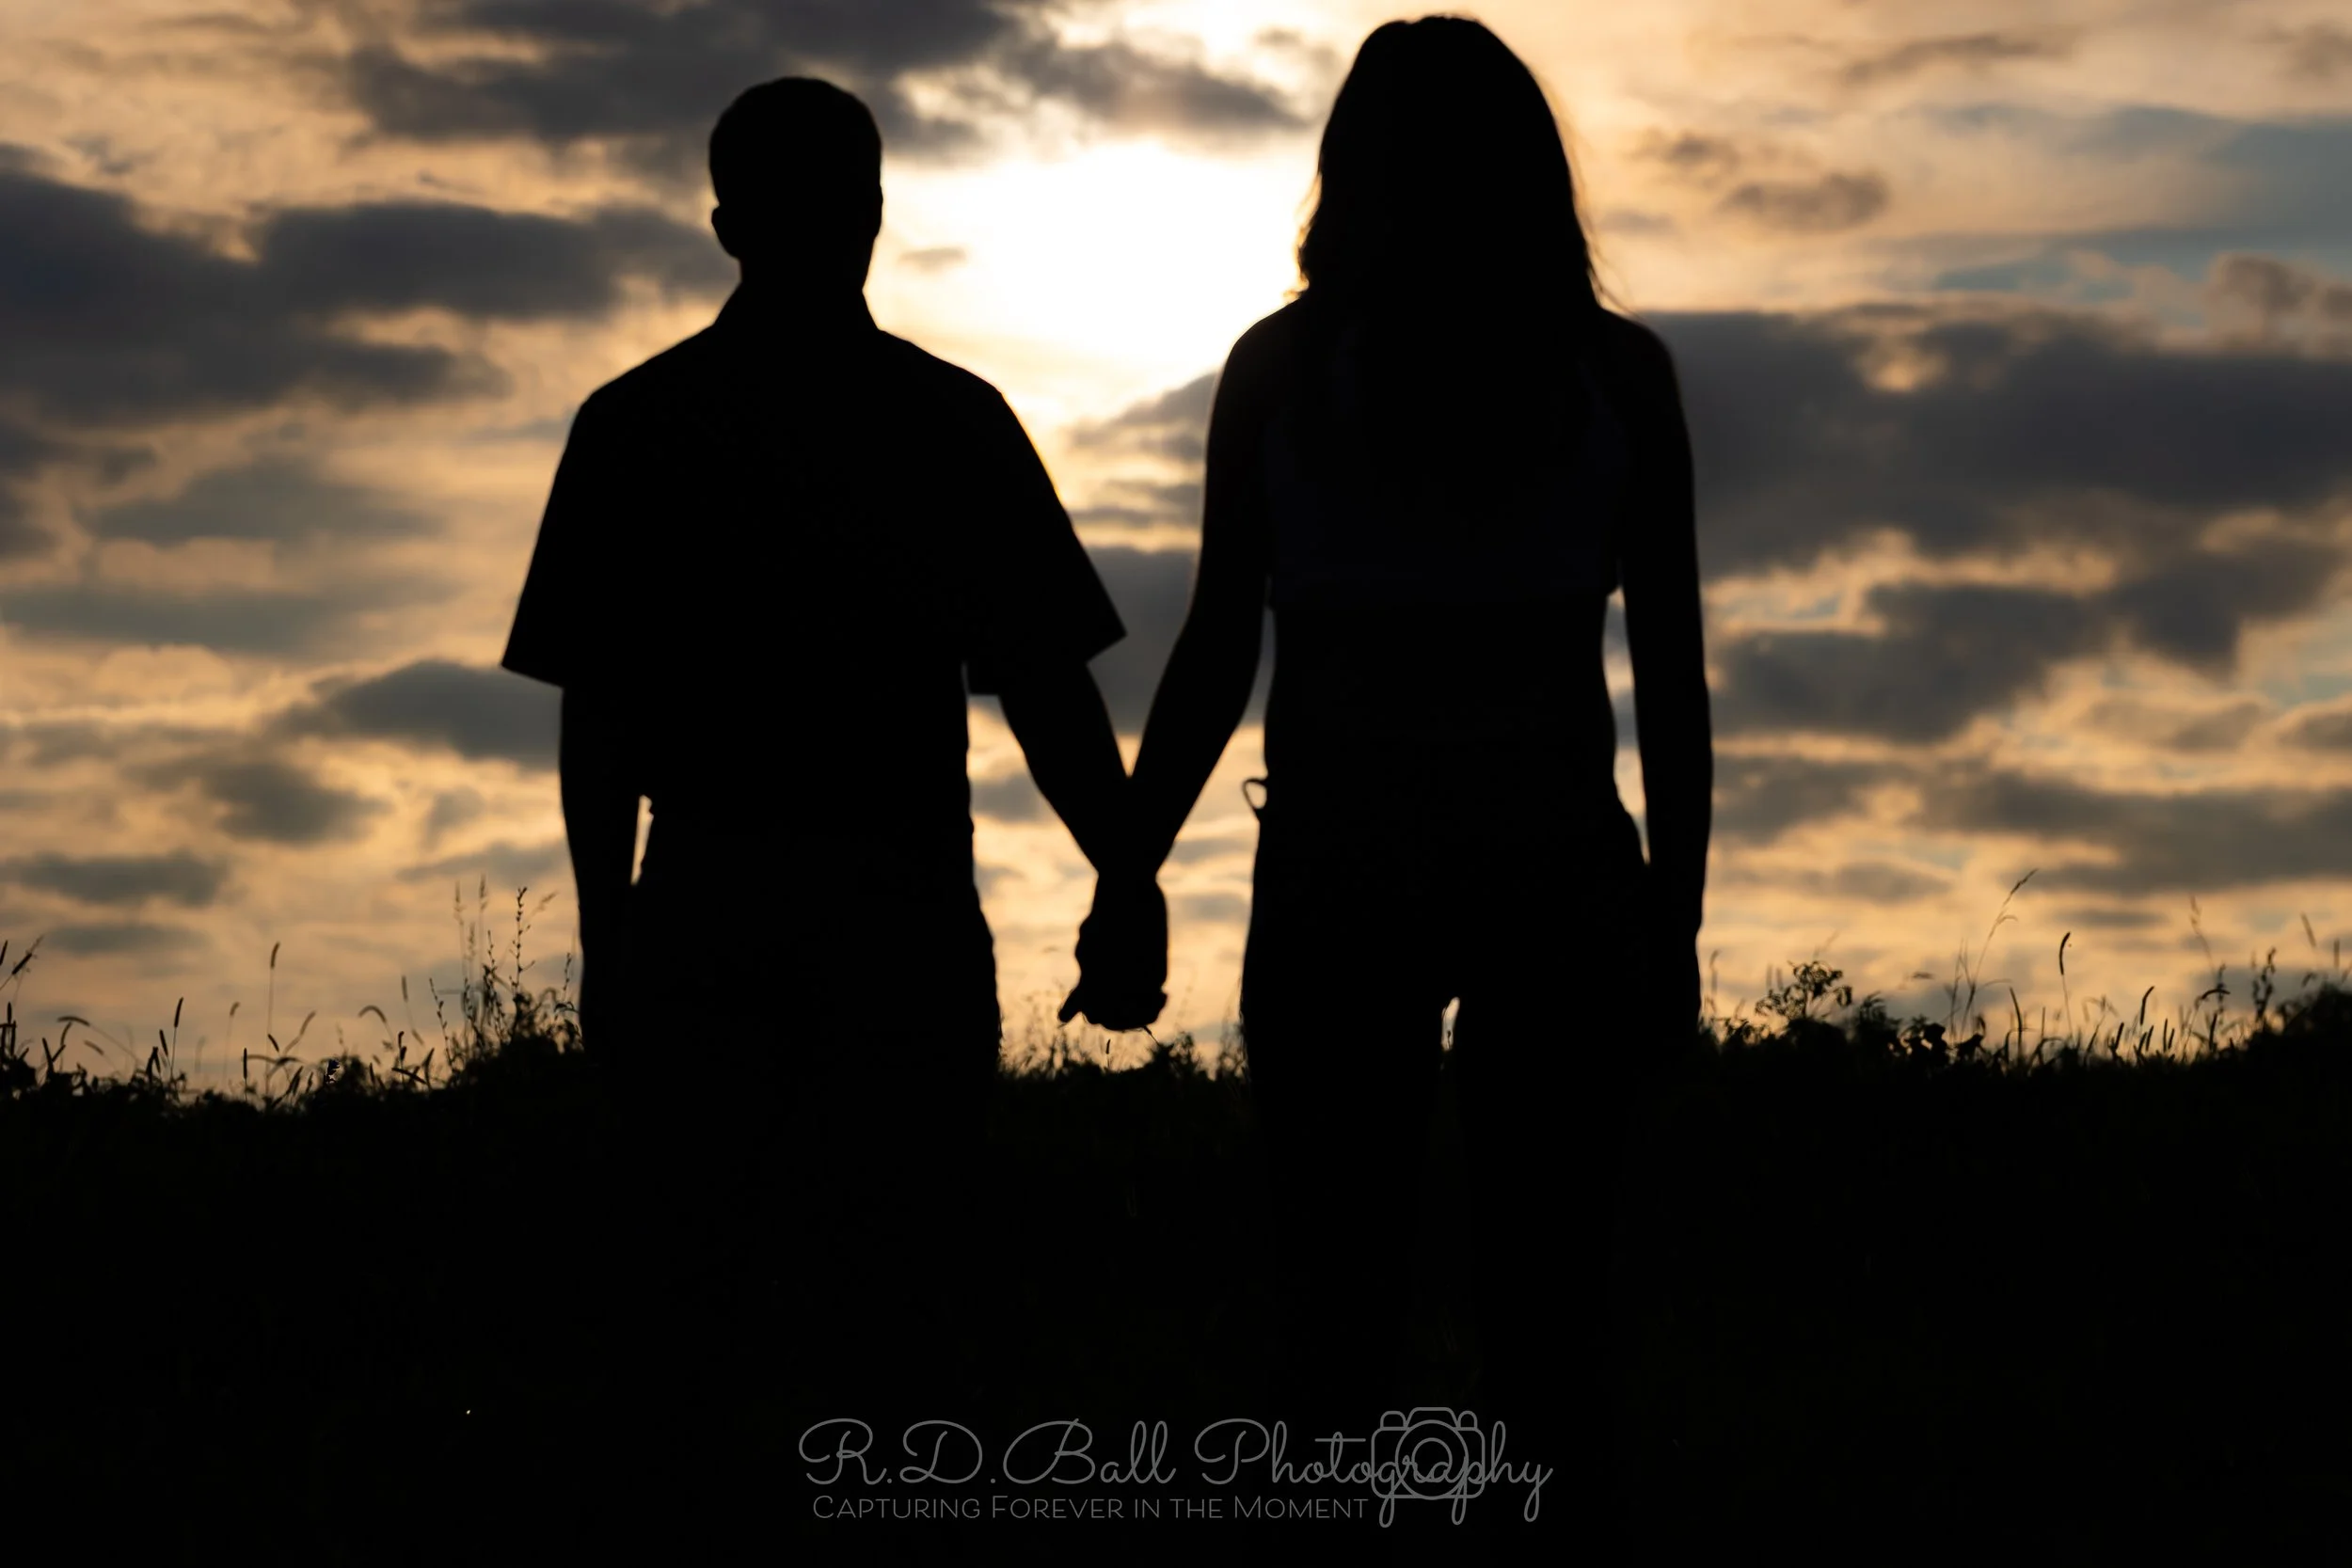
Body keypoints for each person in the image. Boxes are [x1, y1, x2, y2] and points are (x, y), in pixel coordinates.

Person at [498, 76, 1165, 1539]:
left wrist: (614, 934)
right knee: (901, 1323)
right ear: (874, 214)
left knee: (700, 1328)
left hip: (714, 910)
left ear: (723, 222)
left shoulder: (638, 424)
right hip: (898, 918)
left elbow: (597, 719)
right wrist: (1123, 875)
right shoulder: (949, 421)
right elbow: (1046, 689)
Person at [1100, 16, 1712, 1549]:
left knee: (1333, 1326)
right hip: (1554, 859)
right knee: (1550, 1338)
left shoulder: (1283, 373)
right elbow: (1675, 683)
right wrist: (1673, 917)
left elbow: (1214, 648)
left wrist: (1130, 865)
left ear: (1346, 171)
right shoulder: (1617, 379)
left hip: (1342, 864)